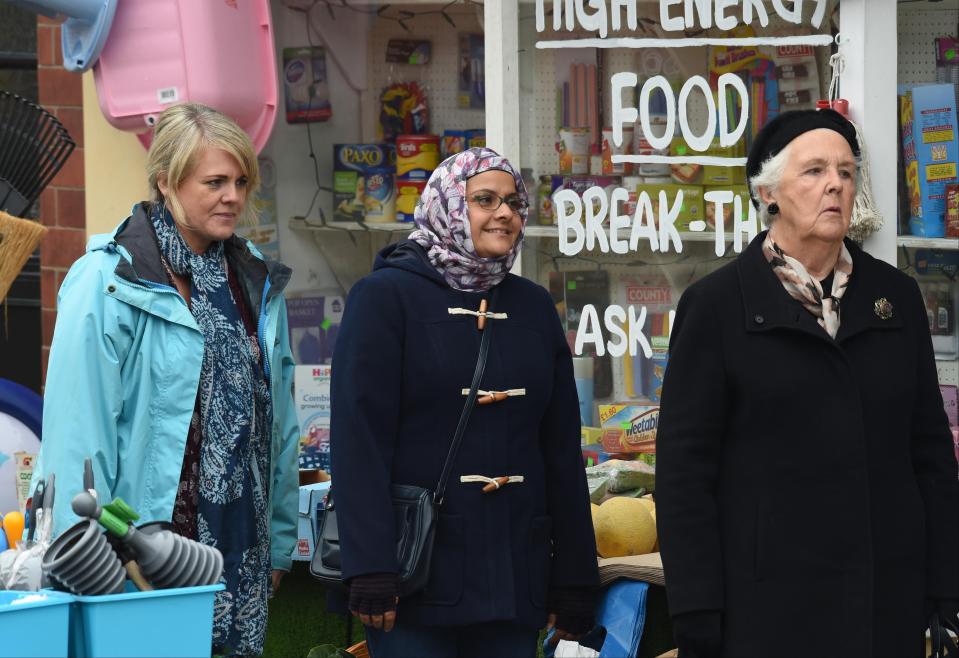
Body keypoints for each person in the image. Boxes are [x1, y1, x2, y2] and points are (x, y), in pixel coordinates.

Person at [655, 108, 959, 658]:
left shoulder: (896, 298)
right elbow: (684, 474)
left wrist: (945, 586)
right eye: (814, 171)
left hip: (884, 602)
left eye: (846, 171)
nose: (835, 185)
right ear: (769, 192)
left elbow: (930, 454)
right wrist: (696, 609)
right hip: (768, 608)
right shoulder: (717, 307)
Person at [33, 103, 299, 656]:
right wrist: (88, 558)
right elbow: (78, 435)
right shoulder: (108, 281)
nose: (233, 196)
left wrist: (277, 542)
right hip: (143, 556)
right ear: (165, 182)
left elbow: (278, 425)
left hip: (239, 552)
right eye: (215, 181)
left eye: (241, 181)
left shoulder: (252, 279)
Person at [330, 147, 600, 657]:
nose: (505, 213)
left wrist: (574, 576)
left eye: (515, 203)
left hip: (515, 571)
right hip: (415, 577)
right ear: (449, 206)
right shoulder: (385, 297)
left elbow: (561, 451)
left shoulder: (534, 306)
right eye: (485, 199)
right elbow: (358, 440)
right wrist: (369, 565)